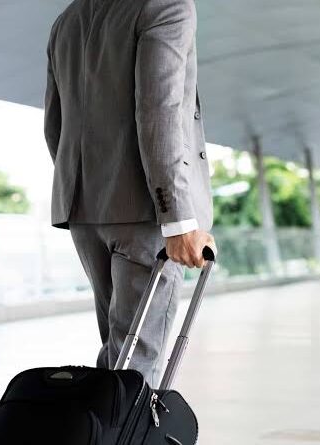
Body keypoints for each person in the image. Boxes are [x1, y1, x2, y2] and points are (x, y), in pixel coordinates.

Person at [44, 0, 214, 387]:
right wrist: (178, 219)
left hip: (85, 212)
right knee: (137, 365)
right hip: (145, 212)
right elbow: (160, 111)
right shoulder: (165, 6)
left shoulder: (68, 20)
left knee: (117, 356)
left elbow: (55, 125)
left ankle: (106, 420)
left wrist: (88, 189)